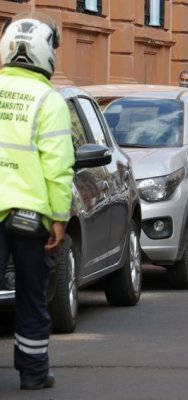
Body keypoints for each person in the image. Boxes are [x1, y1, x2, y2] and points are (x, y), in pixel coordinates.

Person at [0, 12, 75, 390]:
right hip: (30, 218)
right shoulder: (50, 101)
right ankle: (32, 374)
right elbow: (59, 168)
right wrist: (60, 217)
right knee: (32, 297)